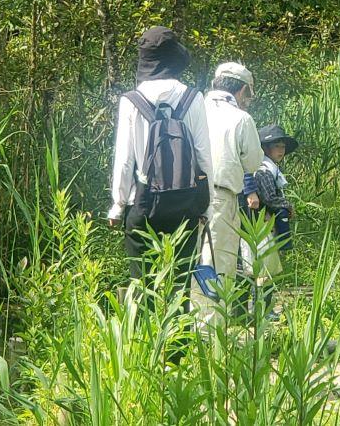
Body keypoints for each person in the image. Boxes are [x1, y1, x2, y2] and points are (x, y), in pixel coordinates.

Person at [108, 26, 212, 293]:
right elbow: (204, 157)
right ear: (174, 58)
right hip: (186, 205)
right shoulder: (193, 97)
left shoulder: (131, 100)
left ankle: (147, 335)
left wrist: (119, 206)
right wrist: (206, 207)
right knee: (180, 290)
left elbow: (124, 159)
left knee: (144, 289)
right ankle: (181, 335)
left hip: (143, 206)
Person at [200, 62, 264, 291]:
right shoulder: (240, 118)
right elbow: (254, 162)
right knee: (218, 263)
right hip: (220, 197)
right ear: (242, 90)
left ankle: (186, 324)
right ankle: (209, 326)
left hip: (185, 197)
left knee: (188, 262)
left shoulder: (194, 109)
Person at [238, 124, 299, 315]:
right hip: (261, 225)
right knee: (264, 268)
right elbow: (269, 197)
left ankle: (258, 309)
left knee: (262, 268)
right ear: (265, 148)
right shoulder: (264, 169)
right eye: (276, 146)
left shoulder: (267, 167)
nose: (281, 150)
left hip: (262, 224)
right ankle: (263, 310)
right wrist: (287, 205)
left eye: (282, 147)